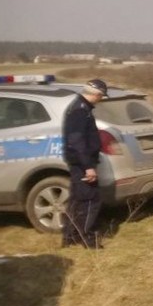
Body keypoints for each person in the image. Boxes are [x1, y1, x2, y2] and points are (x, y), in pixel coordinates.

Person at [62, 79, 107, 248]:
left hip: (79, 162)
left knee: (76, 200)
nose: (100, 99)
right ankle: (87, 238)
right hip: (82, 164)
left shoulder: (80, 107)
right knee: (90, 200)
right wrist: (88, 166)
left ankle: (69, 237)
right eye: (101, 96)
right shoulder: (80, 111)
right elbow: (77, 141)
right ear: (96, 94)